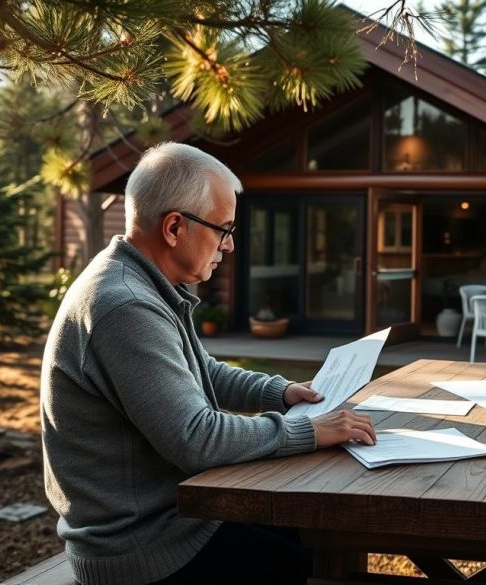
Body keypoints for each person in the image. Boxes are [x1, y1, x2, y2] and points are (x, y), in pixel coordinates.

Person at [40, 142, 376, 585]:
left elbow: (201, 369)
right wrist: (309, 431)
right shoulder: (125, 306)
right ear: (175, 227)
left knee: (310, 534)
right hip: (144, 548)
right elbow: (196, 438)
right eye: (223, 228)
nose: (231, 245)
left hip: (170, 521)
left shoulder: (139, 282)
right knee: (310, 560)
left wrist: (277, 391)